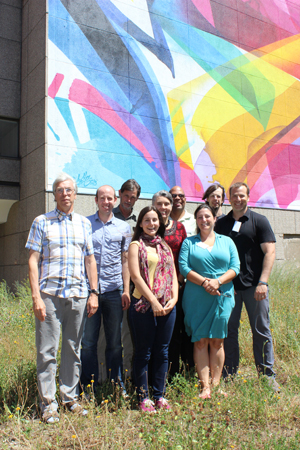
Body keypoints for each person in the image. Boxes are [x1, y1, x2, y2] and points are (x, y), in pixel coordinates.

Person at [26, 173, 98, 423]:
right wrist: (36, 296)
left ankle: (69, 398)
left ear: (75, 194)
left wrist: (94, 292)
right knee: (47, 351)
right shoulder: (41, 222)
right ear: (54, 194)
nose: (65, 194)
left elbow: (90, 259)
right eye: (60, 190)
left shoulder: (84, 224)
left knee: (72, 348)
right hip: (50, 296)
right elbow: (33, 261)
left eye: (69, 190)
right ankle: (48, 404)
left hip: (78, 295)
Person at [215, 182, 278, 389]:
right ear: (229, 198)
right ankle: (229, 373)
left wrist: (263, 282)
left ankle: (267, 376)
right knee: (229, 331)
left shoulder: (259, 221)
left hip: (254, 288)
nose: (238, 199)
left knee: (261, 330)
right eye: (234, 195)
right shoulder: (221, 224)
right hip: (228, 289)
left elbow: (269, 252)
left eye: (242, 195)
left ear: (248, 197)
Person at [179, 204, 240, 398]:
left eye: (207, 216)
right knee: (200, 340)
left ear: (215, 218)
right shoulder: (189, 243)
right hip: (196, 295)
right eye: (200, 217)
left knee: (217, 340)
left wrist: (218, 282)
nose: (204, 220)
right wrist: (206, 282)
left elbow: (235, 267)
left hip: (223, 294)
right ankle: (205, 386)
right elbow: (183, 267)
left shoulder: (227, 241)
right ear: (196, 221)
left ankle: (216, 384)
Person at [80, 185, 131, 394]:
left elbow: (125, 260)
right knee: (89, 342)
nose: (106, 202)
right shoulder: (85, 225)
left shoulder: (124, 227)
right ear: (96, 200)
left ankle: (115, 384)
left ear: (115, 200)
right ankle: (87, 386)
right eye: (102, 198)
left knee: (115, 342)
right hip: (89, 291)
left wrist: (126, 289)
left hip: (113, 290)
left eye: (110, 198)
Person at [128, 206, 178, 412]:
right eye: (147, 220)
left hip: (167, 305)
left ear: (160, 223)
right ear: (140, 223)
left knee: (163, 352)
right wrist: (153, 302)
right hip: (143, 306)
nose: (151, 224)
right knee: (144, 352)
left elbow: (173, 274)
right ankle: (143, 397)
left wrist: (174, 298)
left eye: (155, 220)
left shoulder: (164, 246)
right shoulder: (135, 245)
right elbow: (135, 277)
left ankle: (159, 395)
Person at [152, 190, 192, 375]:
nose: (163, 207)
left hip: (176, 289)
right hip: (151, 290)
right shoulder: (149, 226)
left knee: (175, 333)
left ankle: (173, 374)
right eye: (159, 204)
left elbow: (184, 257)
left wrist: (179, 282)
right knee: (154, 335)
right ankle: (154, 374)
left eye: (166, 204)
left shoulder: (179, 228)